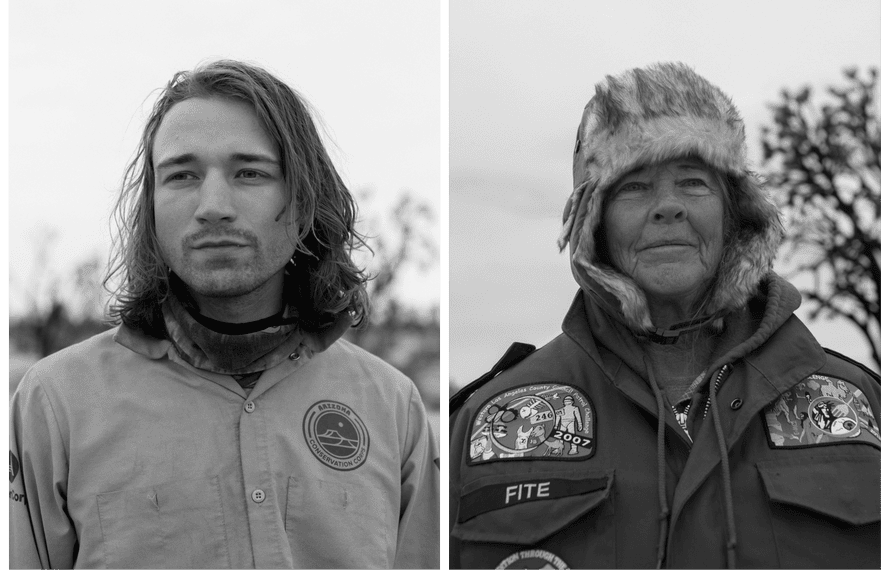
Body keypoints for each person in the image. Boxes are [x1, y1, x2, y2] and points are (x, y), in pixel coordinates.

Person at [9, 60, 439, 570]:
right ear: (151, 206)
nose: (213, 205)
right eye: (183, 175)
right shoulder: (55, 404)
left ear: (303, 201)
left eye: (249, 173)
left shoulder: (393, 407)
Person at [449, 62, 880, 570]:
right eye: (634, 186)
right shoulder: (486, 421)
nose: (667, 207)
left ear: (734, 214)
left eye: (693, 182)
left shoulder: (864, 406)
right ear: (593, 220)